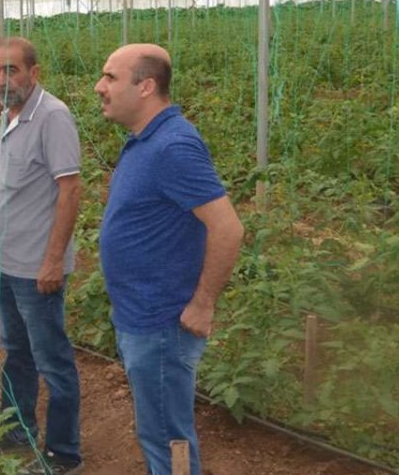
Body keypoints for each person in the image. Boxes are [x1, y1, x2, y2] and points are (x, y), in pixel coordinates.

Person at [95, 44, 244, 475]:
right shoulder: (146, 139)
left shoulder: (172, 146)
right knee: (159, 432)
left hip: (161, 324)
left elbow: (228, 228)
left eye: (110, 77)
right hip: (141, 315)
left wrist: (203, 303)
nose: (99, 87)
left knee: (166, 438)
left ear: (146, 86)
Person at [0, 37, 83, 475]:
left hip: (36, 267)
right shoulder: (8, 115)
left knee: (52, 360)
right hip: (8, 259)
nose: (3, 79)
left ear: (33, 72)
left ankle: (64, 453)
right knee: (16, 350)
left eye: (12, 70)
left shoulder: (52, 117)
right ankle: (16, 429)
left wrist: (53, 260)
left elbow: (70, 190)